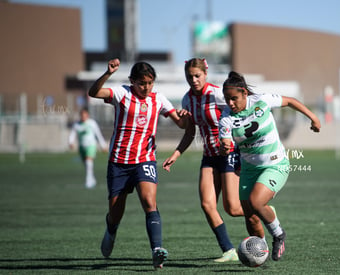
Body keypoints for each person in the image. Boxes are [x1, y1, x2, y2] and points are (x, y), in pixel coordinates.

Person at [88, 58, 188, 269]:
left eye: (150, 83)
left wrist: (184, 116)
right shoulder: (121, 93)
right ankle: (111, 229)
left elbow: (180, 124)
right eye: (142, 83)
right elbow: (94, 93)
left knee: (149, 202)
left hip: (145, 159)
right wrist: (107, 74)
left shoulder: (159, 99)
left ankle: (156, 251)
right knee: (116, 213)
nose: (146, 87)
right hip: (119, 161)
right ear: (132, 81)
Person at [162, 58, 264, 262]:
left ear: (205, 74)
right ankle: (228, 251)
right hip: (208, 157)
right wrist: (175, 154)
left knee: (233, 208)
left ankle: (263, 216)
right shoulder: (186, 100)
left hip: (229, 154)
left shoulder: (218, 94)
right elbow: (190, 132)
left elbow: (241, 111)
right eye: (189, 76)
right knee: (207, 204)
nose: (193, 80)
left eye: (197, 75)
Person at [219, 71, 321, 261]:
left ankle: (279, 235)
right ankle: (259, 253)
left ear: (244, 93)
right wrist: (224, 147)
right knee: (250, 216)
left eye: (234, 99)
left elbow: (290, 101)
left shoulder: (262, 100)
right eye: (227, 99)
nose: (230, 104)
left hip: (275, 164)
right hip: (249, 169)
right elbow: (225, 143)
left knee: (256, 202)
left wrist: (312, 117)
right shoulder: (226, 117)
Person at [68, 108, 107, 189]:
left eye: (85, 115)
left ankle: (88, 182)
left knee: (89, 162)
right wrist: (71, 142)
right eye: (82, 115)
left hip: (91, 146)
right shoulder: (77, 125)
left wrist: (103, 145)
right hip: (82, 147)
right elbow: (72, 134)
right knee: (86, 165)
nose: (83, 116)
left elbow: (98, 134)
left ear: (87, 115)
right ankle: (92, 179)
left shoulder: (92, 123)